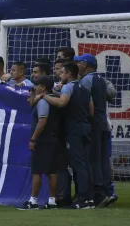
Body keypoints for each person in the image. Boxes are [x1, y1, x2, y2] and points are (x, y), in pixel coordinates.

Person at [38, 62, 94, 209]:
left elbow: (62, 103)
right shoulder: (84, 88)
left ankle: (82, 200)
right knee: (86, 164)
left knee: (78, 164)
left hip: (74, 130)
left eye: (62, 72)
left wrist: (45, 96)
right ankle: (89, 198)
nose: (60, 75)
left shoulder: (69, 87)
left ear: (69, 74)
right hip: (86, 128)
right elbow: (91, 110)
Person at [75, 53, 111, 207]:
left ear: (85, 64)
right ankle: (107, 191)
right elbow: (112, 95)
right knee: (103, 160)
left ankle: (99, 194)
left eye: (78, 62)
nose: (76, 65)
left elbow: (83, 102)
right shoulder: (102, 80)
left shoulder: (86, 80)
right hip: (103, 122)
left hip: (93, 124)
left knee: (93, 159)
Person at [20, 76, 60, 210]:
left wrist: (33, 139)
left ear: (43, 87)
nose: (35, 87)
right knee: (52, 171)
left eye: (37, 85)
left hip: (43, 140)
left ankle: (33, 201)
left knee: (37, 170)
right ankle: (52, 201)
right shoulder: (54, 100)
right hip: (54, 138)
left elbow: (42, 120)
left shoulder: (43, 102)